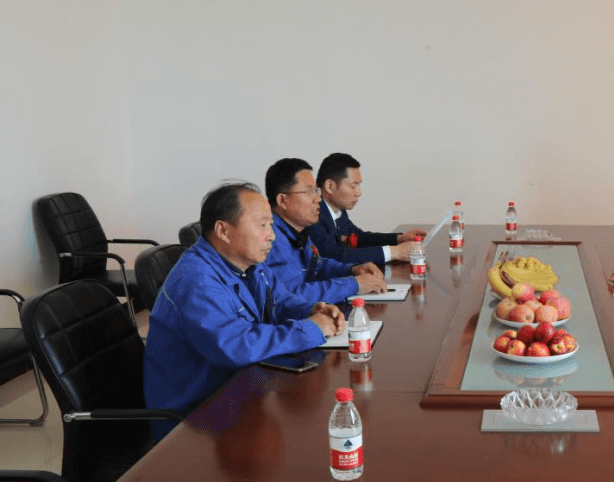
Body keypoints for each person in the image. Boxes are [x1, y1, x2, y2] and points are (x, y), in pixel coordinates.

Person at [144, 182, 343, 438]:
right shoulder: (196, 281)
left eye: (271, 225)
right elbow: (236, 346)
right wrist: (311, 328)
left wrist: (312, 310)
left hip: (236, 389)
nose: (272, 235)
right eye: (262, 225)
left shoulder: (248, 264)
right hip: (194, 417)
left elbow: (280, 301)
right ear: (223, 230)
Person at [264, 158, 388, 304]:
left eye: (316, 191)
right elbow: (292, 294)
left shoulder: (295, 230)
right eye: (309, 192)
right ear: (282, 200)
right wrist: (353, 284)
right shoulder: (271, 239)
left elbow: (317, 266)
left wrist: (352, 270)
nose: (318, 198)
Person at [308, 152, 427, 267]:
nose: (358, 193)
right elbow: (335, 256)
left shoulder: (337, 210)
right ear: (330, 186)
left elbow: (360, 238)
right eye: (353, 186)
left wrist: (399, 239)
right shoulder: (313, 215)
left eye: (359, 186)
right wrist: (394, 252)